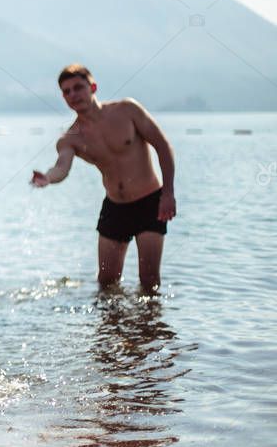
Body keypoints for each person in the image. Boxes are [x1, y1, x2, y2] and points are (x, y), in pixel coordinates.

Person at [31, 64, 176, 291]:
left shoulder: (127, 110)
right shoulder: (70, 139)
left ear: (93, 87)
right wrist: (48, 178)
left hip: (150, 202)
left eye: (78, 87)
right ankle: (111, 326)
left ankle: (150, 326)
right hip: (115, 208)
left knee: (149, 281)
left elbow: (163, 146)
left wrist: (168, 193)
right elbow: (61, 167)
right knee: (106, 283)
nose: (73, 95)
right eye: (67, 92)